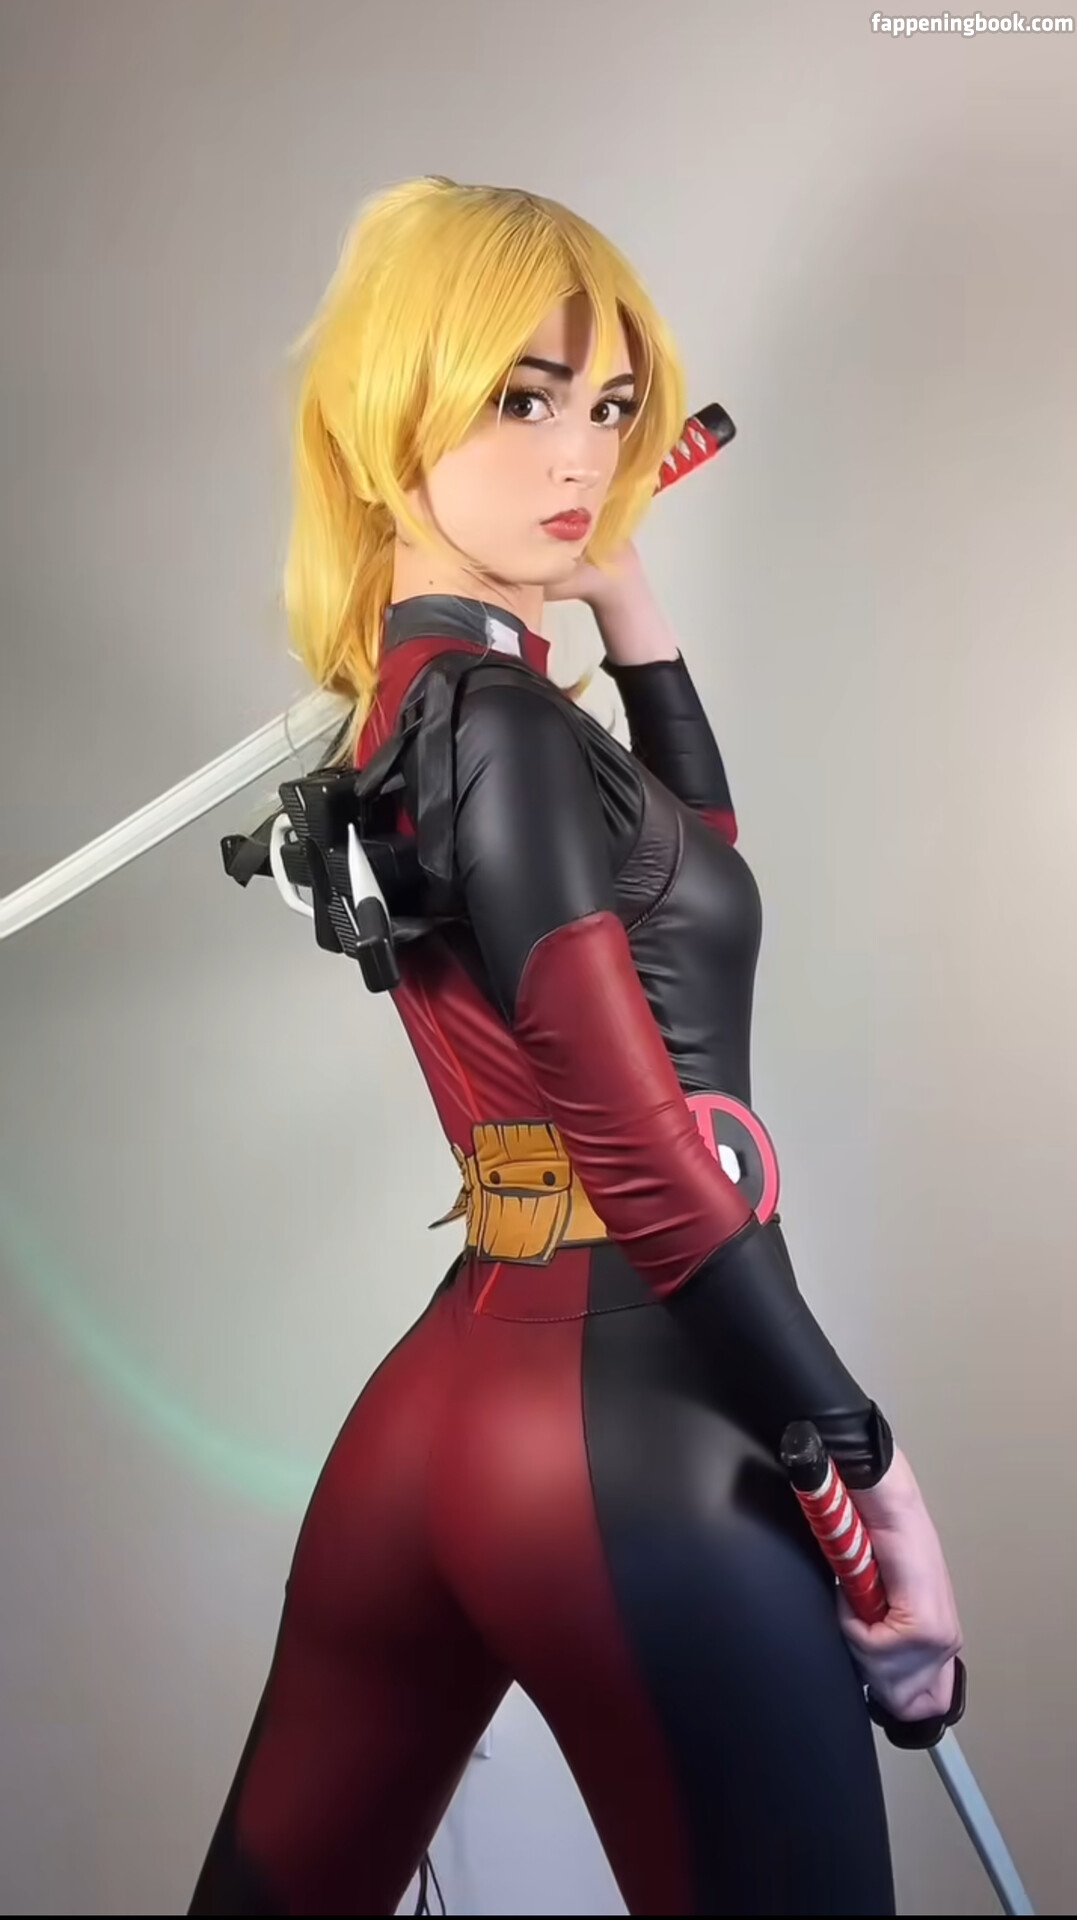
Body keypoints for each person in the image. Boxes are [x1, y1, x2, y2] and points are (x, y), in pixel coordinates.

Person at [190, 176, 962, 1917]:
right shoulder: (505, 729)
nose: (584, 453)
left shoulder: (427, 713)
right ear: (392, 411)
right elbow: (640, 1146)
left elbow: (694, 875)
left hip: (444, 1403)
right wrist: (866, 1466)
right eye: (523, 399)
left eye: (611, 408)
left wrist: (626, 607)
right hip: (622, 1411)